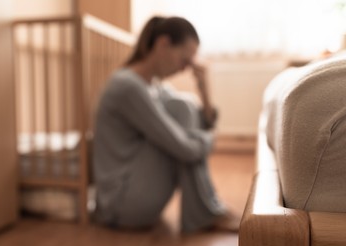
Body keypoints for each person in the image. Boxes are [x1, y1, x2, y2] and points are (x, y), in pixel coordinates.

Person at [92, 16, 239, 233]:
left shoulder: (154, 86)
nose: (184, 69)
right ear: (163, 44)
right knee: (182, 113)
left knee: (183, 106)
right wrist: (210, 140)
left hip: (135, 197)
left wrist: (204, 89)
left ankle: (208, 210)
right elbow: (184, 148)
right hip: (120, 205)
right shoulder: (127, 86)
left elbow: (202, 121)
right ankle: (207, 212)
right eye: (184, 60)